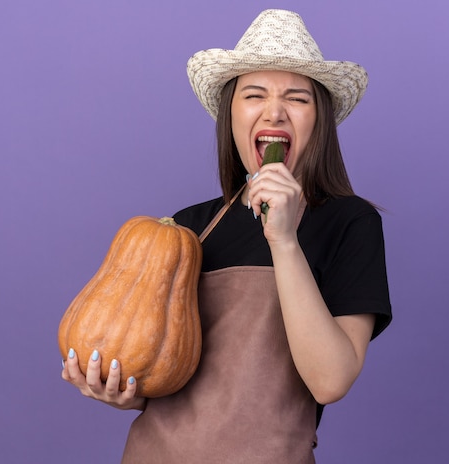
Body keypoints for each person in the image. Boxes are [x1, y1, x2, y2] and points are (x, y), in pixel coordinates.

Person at [61, 9, 392, 463]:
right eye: (254, 94)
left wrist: (285, 241)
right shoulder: (186, 229)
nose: (274, 111)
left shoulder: (349, 223)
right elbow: (172, 370)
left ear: (319, 119)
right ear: (231, 114)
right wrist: (127, 391)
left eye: (297, 98)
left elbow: (330, 381)